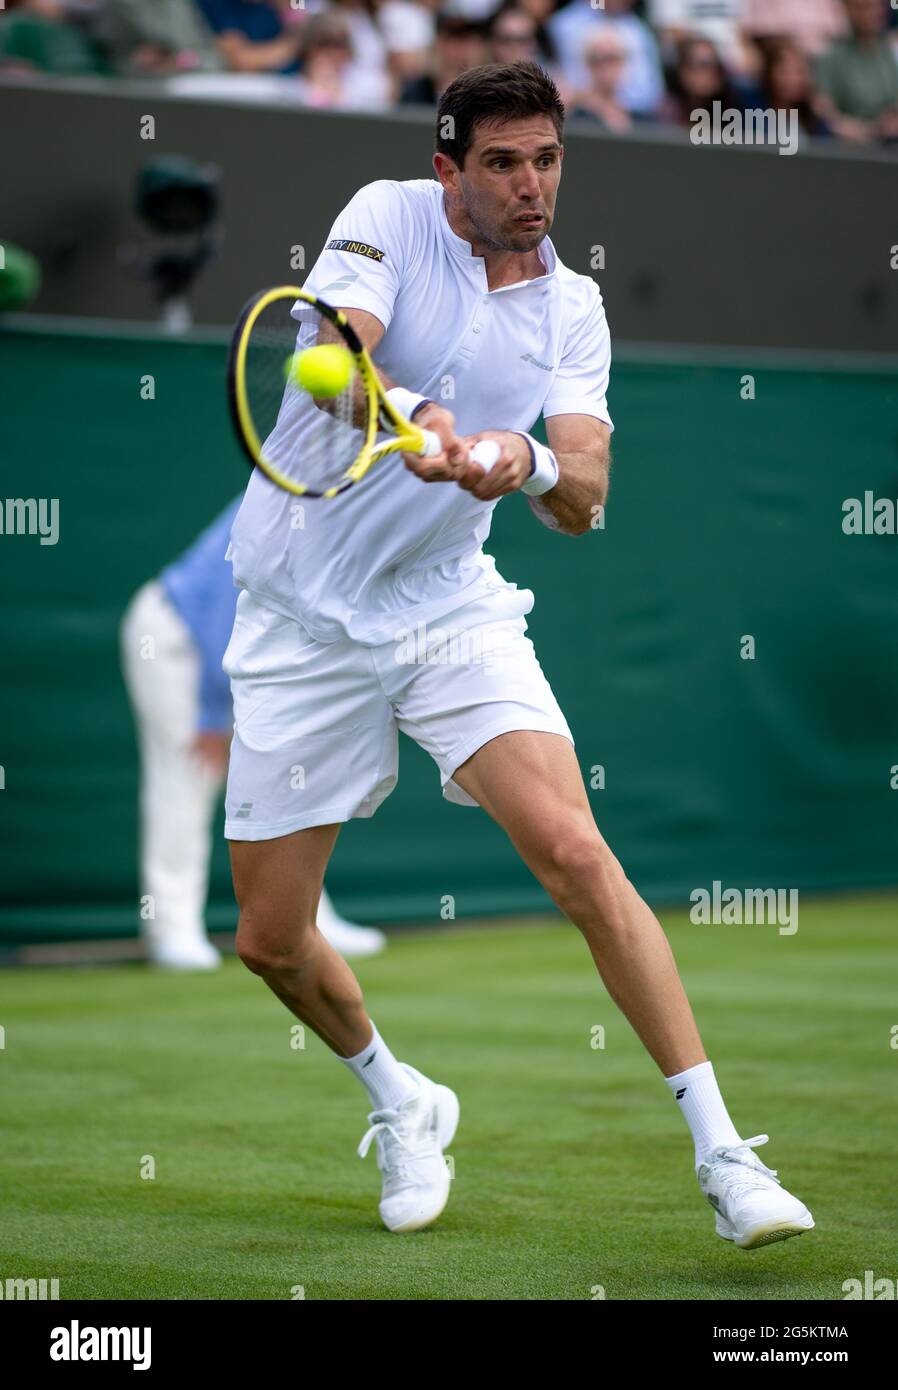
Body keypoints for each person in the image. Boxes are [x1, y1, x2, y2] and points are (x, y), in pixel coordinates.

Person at [223, 59, 815, 1247]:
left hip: (449, 609)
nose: (530, 184)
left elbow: (585, 490)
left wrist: (518, 458)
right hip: (300, 619)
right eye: (501, 162)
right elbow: (322, 359)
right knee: (271, 940)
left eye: (546, 158)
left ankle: (726, 1158)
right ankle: (404, 1100)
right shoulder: (386, 215)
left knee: (574, 853)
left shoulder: (572, 307)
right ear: (450, 167)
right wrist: (413, 425)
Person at [120, 498, 386, 971]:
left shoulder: (348, 509)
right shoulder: (284, 498)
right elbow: (226, 603)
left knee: (284, 780)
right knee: (186, 781)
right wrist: (209, 717)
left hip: (242, 649)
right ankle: (172, 931)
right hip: (177, 639)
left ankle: (308, 921)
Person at [814, 0, 898, 142]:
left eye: (876, 6)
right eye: (862, 7)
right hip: (851, 145)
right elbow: (824, 111)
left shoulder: (891, 49)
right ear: (847, 10)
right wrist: (866, 130)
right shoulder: (832, 56)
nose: (871, 13)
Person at [570, 29, 634, 131]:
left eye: (614, 58)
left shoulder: (636, 113)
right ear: (588, 65)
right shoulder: (578, 115)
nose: (607, 67)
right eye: (599, 59)